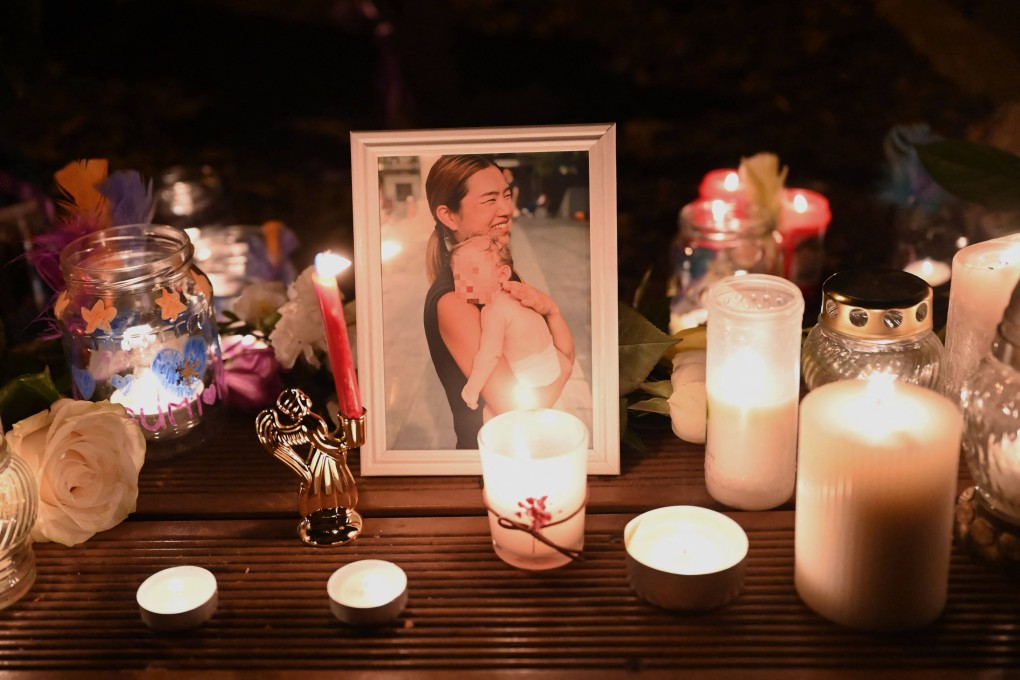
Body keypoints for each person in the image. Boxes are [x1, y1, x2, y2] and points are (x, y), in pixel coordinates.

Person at [423, 155, 574, 449]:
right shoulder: (456, 301)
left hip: (520, 450)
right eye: (490, 199)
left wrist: (553, 312)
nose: (507, 208)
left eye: (506, 194)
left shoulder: (495, 271)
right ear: (449, 216)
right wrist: (565, 368)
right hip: (489, 467)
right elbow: (520, 411)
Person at [450, 236, 562, 410]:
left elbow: (489, 354)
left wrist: (472, 389)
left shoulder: (493, 310)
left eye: (471, 273)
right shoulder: (517, 295)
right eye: (457, 277)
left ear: (502, 274)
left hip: (532, 381)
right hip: (553, 367)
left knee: (489, 414)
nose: (461, 284)